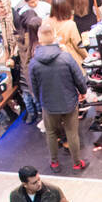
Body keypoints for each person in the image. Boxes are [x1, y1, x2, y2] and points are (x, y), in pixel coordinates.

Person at [29, 22, 89, 173]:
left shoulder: (34, 63)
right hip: (69, 101)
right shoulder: (65, 57)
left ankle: (54, 163)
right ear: (54, 36)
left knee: (51, 133)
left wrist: (40, 101)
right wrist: (83, 91)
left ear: (39, 39)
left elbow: (34, 87)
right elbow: (78, 77)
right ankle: (77, 163)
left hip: (48, 104)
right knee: (71, 132)